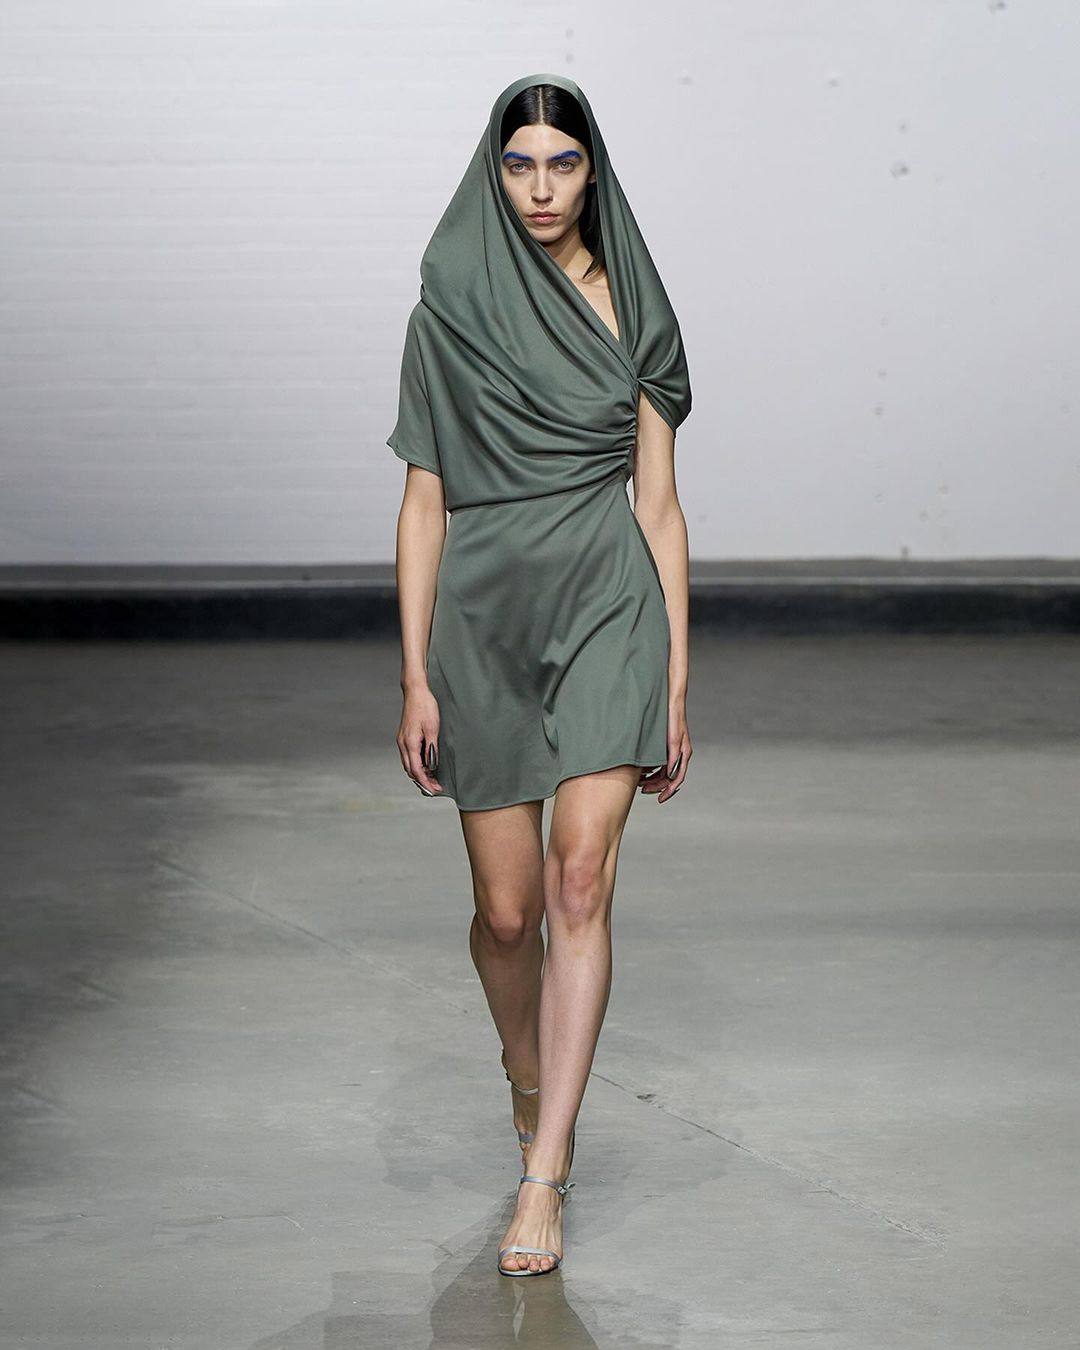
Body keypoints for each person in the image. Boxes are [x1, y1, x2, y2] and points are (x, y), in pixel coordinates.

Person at [388, 73, 693, 1277]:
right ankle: (526, 1074)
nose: (541, 187)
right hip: (485, 619)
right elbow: (422, 502)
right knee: (508, 912)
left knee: (578, 883)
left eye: (563, 163)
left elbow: (659, 506)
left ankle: (545, 1170)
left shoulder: (635, 307)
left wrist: (674, 678)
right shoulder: (449, 314)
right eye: (520, 164)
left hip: (611, 604)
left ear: (592, 173)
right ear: (494, 172)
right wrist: (415, 676)